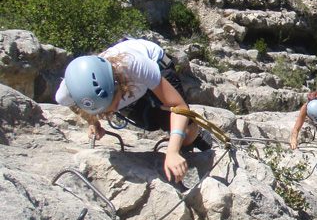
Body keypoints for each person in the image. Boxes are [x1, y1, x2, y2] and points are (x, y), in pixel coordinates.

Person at [56, 38, 209, 183]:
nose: (115, 109)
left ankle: (196, 137)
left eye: (113, 103)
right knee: (150, 122)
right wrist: (93, 122)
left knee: (186, 134)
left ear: (118, 87)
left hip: (153, 66)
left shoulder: (134, 64)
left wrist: (173, 151)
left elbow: (179, 106)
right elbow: (77, 106)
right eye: (107, 110)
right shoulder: (67, 93)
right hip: (131, 87)